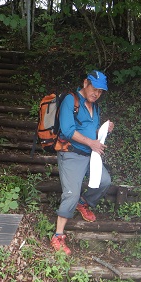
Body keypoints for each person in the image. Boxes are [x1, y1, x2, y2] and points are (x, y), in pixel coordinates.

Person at [50, 70, 114, 255]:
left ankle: (83, 202)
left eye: (100, 91)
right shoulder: (71, 100)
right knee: (71, 193)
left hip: (90, 155)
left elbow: (91, 131)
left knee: (104, 181)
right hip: (71, 154)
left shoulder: (95, 107)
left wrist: (104, 130)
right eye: (95, 89)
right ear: (86, 83)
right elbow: (68, 131)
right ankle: (58, 235)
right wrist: (91, 143)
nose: (97, 94)